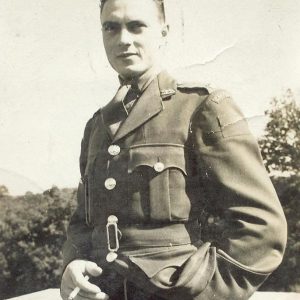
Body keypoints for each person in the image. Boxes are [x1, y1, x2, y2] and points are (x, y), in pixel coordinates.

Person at [60, 0, 287, 299]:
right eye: (111, 28)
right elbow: (84, 220)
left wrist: (202, 291)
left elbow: (262, 227)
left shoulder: (201, 107)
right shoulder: (97, 126)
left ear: (164, 33)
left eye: (136, 26)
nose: (123, 39)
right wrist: (73, 262)